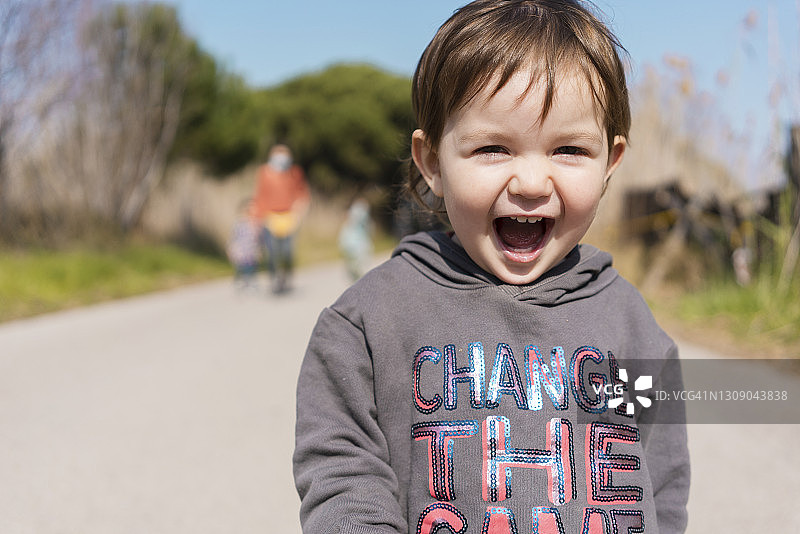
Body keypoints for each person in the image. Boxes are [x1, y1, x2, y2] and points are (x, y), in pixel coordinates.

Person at [293, 1, 690, 533]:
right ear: (433, 162)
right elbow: (342, 471)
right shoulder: (370, 322)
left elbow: (661, 484)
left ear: (609, 163)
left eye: (569, 149)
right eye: (493, 148)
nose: (530, 182)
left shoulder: (631, 327)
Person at [252, 144, 310, 294]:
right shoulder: (264, 172)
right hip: (270, 216)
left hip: (289, 216)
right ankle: (274, 280)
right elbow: (261, 195)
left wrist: (299, 210)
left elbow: (302, 193)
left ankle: (286, 277)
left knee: (287, 251)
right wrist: (259, 217)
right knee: (272, 253)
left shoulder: (294, 172)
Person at [226, 198, 261, 291]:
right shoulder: (239, 223)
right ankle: (240, 280)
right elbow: (233, 237)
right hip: (241, 249)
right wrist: (230, 248)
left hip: (252, 249)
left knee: (251, 266)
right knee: (242, 266)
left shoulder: (255, 223)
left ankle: (250, 281)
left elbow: (258, 238)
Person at [338, 197, 373, 281]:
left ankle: (356, 275)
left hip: (353, 241)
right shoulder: (359, 214)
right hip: (354, 242)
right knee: (356, 261)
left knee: (355, 262)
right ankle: (356, 275)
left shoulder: (352, 215)